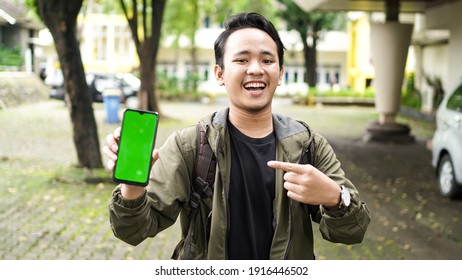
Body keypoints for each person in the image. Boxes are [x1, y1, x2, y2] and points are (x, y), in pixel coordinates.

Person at [104, 12, 371, 260]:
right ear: (219, 74)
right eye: (242, 60)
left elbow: (352, 231)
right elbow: (133, 232)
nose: (255, 69)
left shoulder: (309, 145)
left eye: (267, 60)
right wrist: (133, 186)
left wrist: (336, 197)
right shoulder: (190, 146)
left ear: (280, 74)